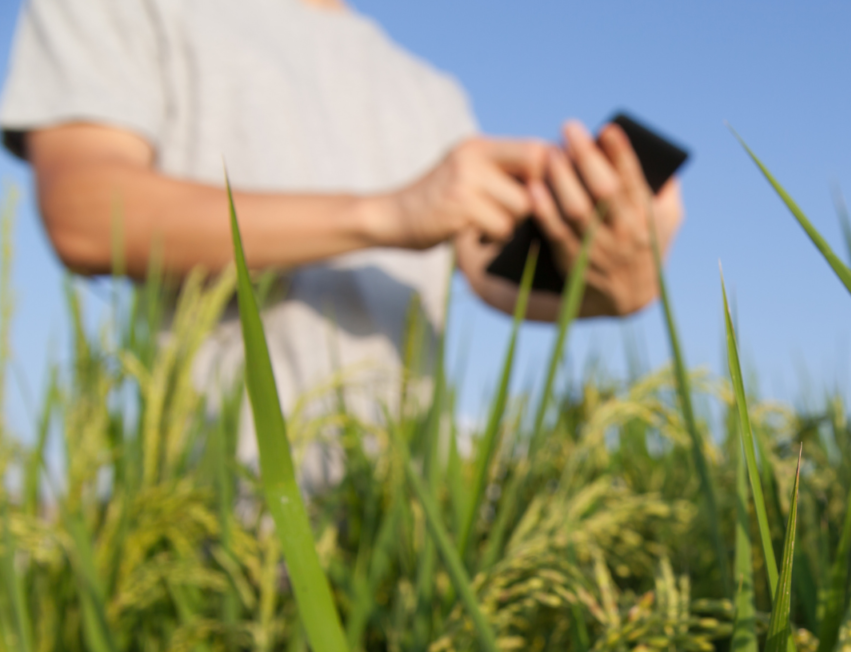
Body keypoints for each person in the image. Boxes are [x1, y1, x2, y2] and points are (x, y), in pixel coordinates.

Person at [0, 0, 683, 473]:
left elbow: (486, 270)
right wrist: (384, 215)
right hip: (215, 511)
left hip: (403, 530)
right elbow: (86, 211)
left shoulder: (427, 89)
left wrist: (613, 283)